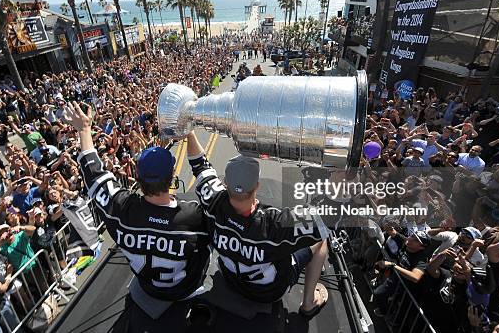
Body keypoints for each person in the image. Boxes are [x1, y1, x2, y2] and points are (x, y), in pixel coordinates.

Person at [63, 101, 211, 331]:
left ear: (137, 178)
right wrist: (189, 133)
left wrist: (83, 129)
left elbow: (93, 174)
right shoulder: (194, 217)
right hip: (187, 292)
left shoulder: (122, 208)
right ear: (172, 176)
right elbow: (208, 180)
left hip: (147, 289)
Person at [186, 131, 329, 320]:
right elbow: (326, 222)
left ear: (225, 183)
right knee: (322, 243)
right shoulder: (274, 225)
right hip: (269, 291)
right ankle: (309, 303)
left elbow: (199, 164)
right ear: (257, 186)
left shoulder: (213, 201)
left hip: (230, 278)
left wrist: (188, 132)